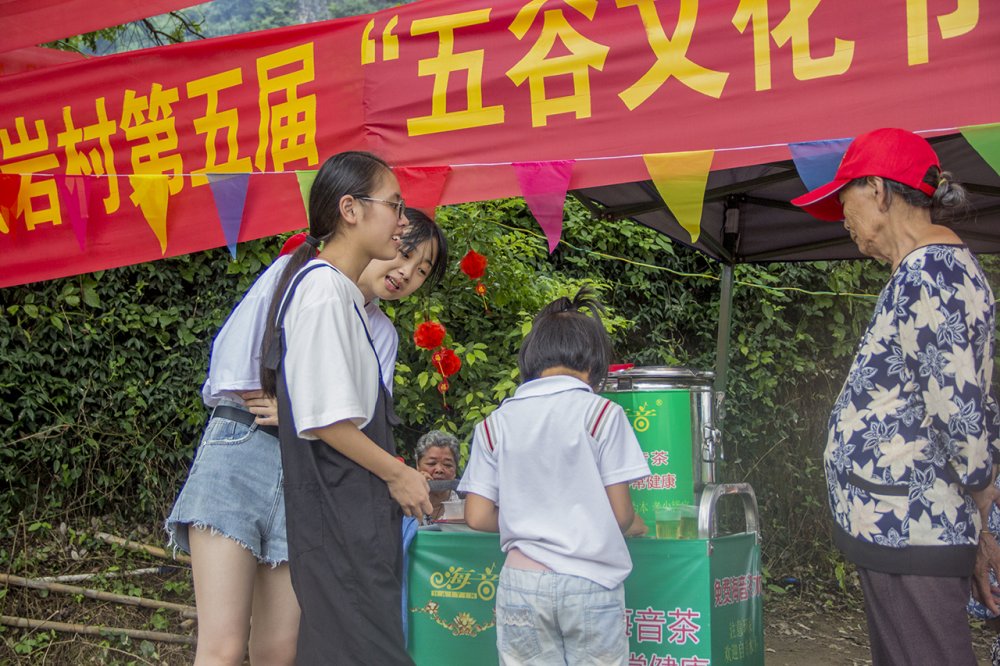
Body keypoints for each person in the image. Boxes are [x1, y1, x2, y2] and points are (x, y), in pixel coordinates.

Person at [166, 155, 444, 664]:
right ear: (351, 212)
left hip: (308, 471)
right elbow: (236, 369)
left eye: (422, 269)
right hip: (244, 448)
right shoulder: (309, 279)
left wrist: (298, 411)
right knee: (224, 646)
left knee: (280, 646)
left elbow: (356, 415)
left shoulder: (378, 328)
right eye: (404, 250)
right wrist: (294, 405)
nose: (406, 271)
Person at [791, 127, 1000, 666]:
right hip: (902, 525)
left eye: (845, 199)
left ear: (879, 191)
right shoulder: (923, 272)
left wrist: (981, 504)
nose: (843, 217)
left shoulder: (932, 272)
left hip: (915, 525)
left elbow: (959, 407)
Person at [259, 151, 432, 665]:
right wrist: (399, 474)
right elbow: (328, 420)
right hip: (340, 526)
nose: (403, 223)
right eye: (395, 206)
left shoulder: (343, 298)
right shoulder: (322, 291)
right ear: (350, 209)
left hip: (354, 526)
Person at [459, 287, 651, 666]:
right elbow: (622, 516)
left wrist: (530, 517)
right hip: (591, 582)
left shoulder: (494, 424)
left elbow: (477, 517)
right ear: (594, 363)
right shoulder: (602, 415)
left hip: (521, 583)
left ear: (531, 358)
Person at [414, 429, 461, 520]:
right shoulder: (406, 501)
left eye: (447, 465)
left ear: (455, 470)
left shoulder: (464, 506)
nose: (439, 470)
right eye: (431, 463)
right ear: (418, 465)